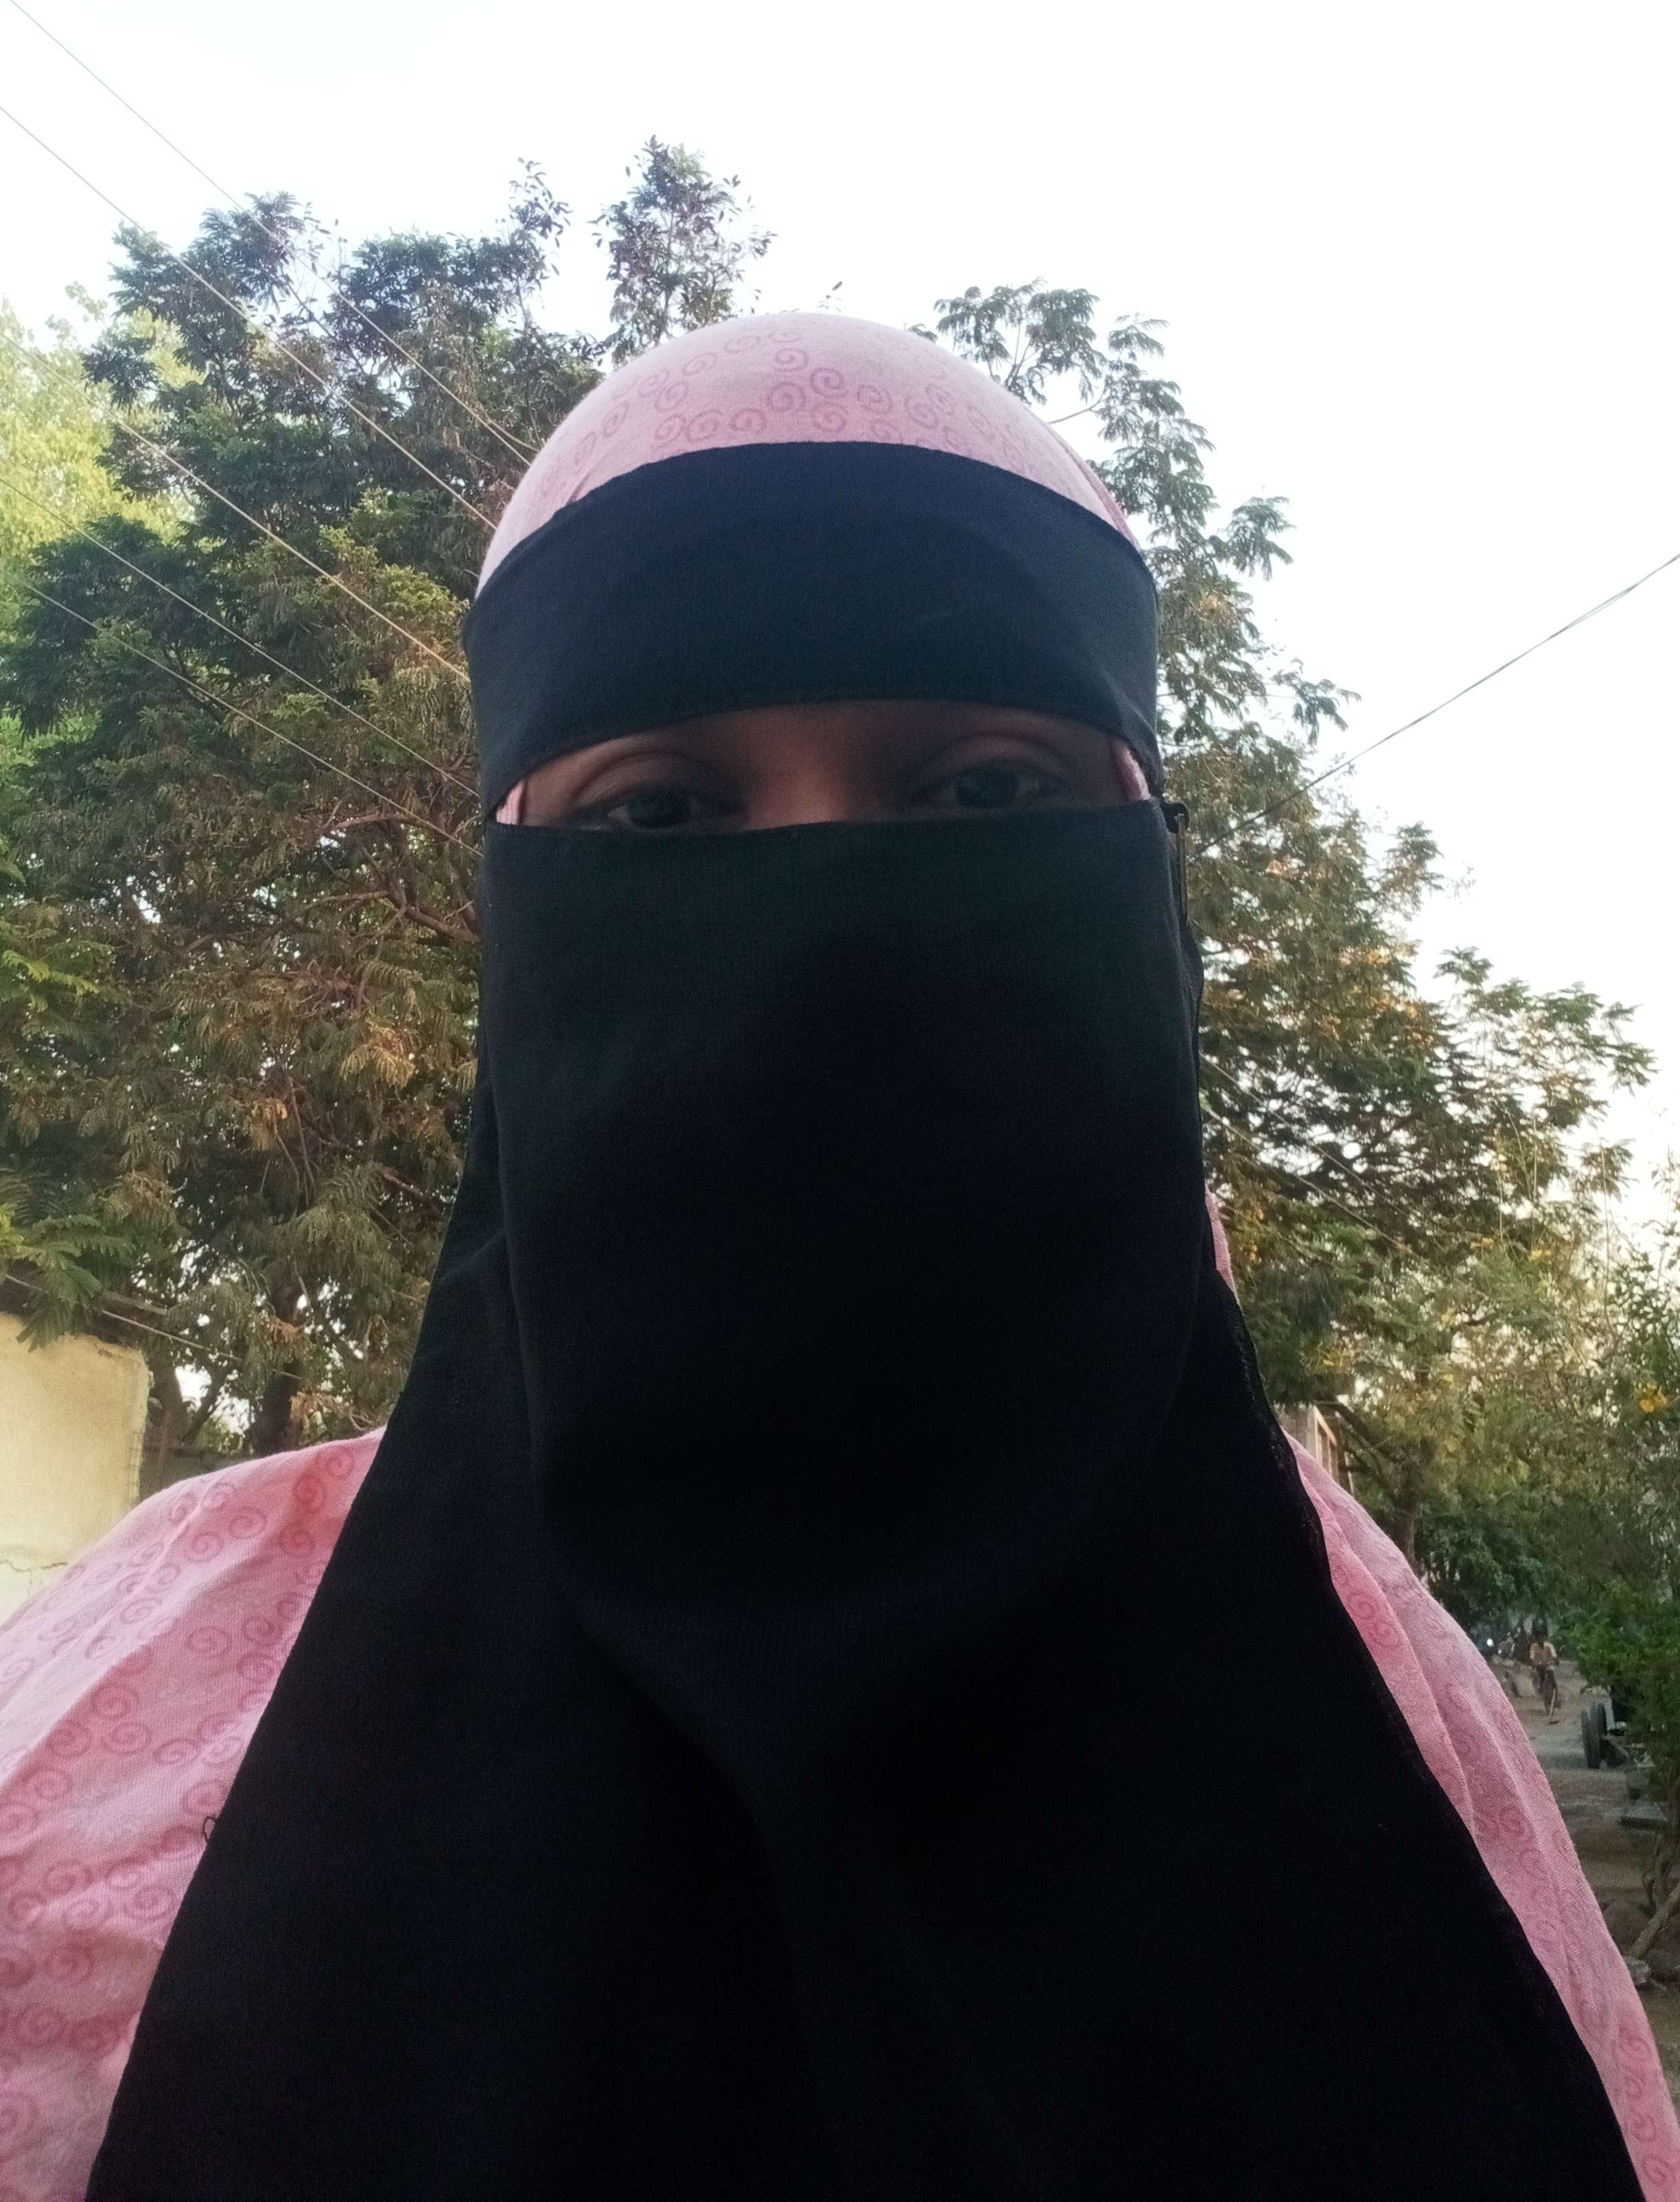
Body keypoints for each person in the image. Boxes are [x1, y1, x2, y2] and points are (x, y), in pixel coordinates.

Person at [0, 314, 1673, 2201]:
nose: (822, 918)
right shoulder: (144, 1712)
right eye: (661, 811)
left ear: (1148, 879)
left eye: (985, 793)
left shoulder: (1380, 1678)